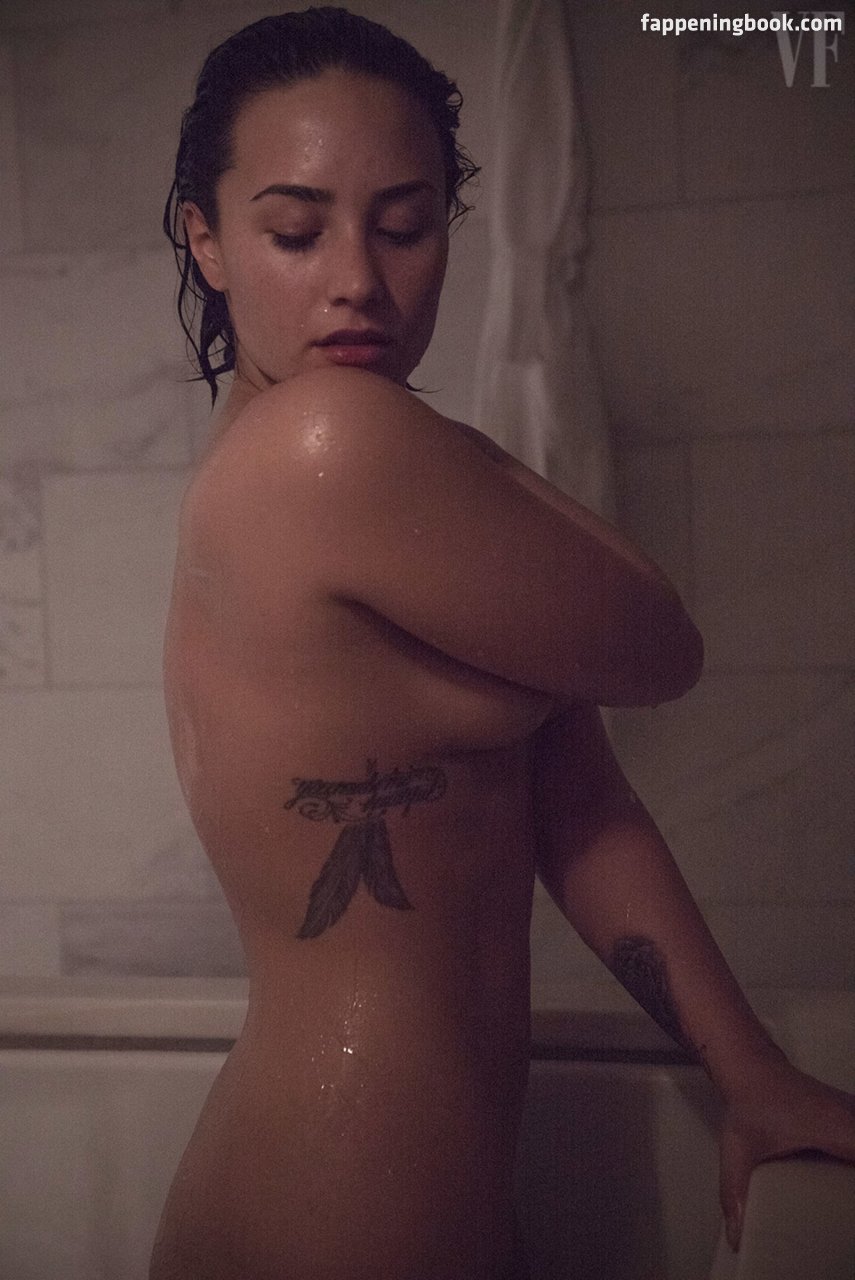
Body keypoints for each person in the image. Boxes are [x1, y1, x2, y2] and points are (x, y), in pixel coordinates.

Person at [152, 8, 855, 1279]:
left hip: (383, 1183)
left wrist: (749, 1070)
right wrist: (449, 438)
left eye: (406, 224)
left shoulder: (321, 468)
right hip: (341, 1209)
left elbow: (573, 794)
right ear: (207, 240)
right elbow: (661, 644)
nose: (358, 279)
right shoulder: (332, 444)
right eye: (296, 231)